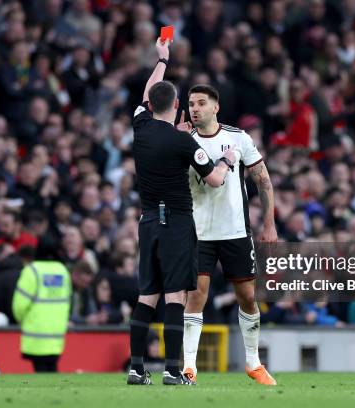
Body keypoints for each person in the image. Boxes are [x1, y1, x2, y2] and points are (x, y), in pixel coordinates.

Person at [127, 38, 236, 386]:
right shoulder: (183, 141)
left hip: (147, 221)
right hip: (175, 221)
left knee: (147, 295)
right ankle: (173, 370)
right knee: (175, 295)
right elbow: (216, 180)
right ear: (178, 105)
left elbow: (148, 93)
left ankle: (136, 368)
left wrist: (162, 59)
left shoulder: (140, 128)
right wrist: (226, 159)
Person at [178, 84, 278, 385]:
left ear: (215, 107)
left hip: (235, 230)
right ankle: (189, 367)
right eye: (191, 103)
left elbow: (263, 181)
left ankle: (253, 363)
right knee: (196, 295)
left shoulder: (238, 138)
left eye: (201, 103)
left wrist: (269, 223)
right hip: (198, 231)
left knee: (248, 296)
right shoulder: (184, 141)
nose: (195, 108)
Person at [12, 249, 71, 373]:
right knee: (52, 370)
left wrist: (20, 319)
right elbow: (67, 300)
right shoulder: (62, 271)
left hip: (35, 334)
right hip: (56, 334)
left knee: (41, 372)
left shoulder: (32, 270)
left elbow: (20, 305)